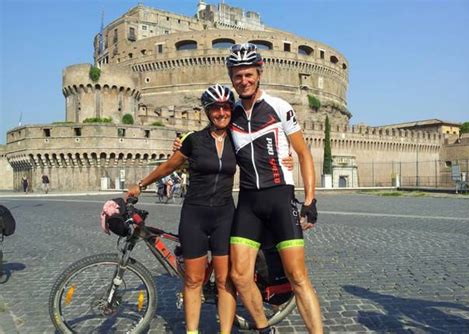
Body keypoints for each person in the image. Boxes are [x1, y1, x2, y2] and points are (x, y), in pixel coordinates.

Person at [225, 43, 323, 333]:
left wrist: (310, 200)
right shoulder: (229, 115)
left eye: (248, 74)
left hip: (280, 198)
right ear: (231, 77)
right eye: (238, 75)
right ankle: (263, 327)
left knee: (298, 276)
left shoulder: (280, 107)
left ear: (259, 72)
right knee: (240, 275)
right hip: (248, 202)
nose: (244, 80)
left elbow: (303, 154)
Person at [128, 84, 238, 334]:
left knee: (224, 280)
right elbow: (168, 167)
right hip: (194, 216)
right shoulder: (193, 141)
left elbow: (262, 158)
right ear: (208, 112)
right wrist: (141, 184)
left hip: (225, 216)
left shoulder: (238, 140)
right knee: (193, 280)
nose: (221, 112)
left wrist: (285, 161)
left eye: (225, 107)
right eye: (215, 108)